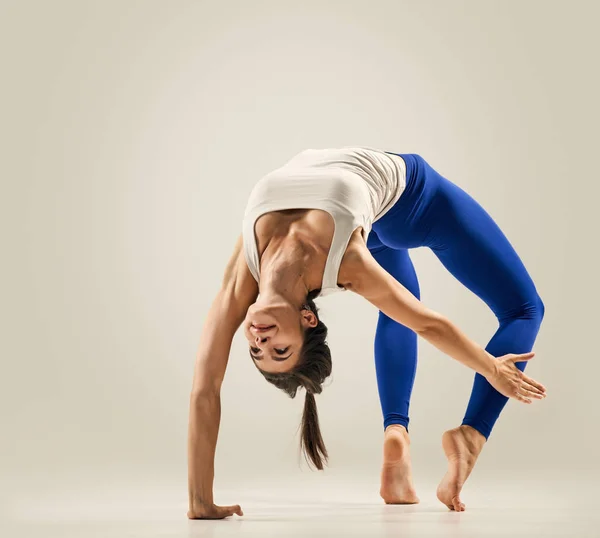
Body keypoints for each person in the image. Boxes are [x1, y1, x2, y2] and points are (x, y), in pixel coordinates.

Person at [187, 147, 547, 519]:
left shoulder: (244, 273)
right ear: (306, 319)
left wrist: (199, 503)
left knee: (398, 305)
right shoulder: (347, 262)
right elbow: (426, 323)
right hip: (412, 204)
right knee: (524, 309)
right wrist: (492, 368)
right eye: (280, 351)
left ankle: (397, 434)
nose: (261, 343)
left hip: (372, 217)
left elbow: (204, 387)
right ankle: (471, 436)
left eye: (257, 352)